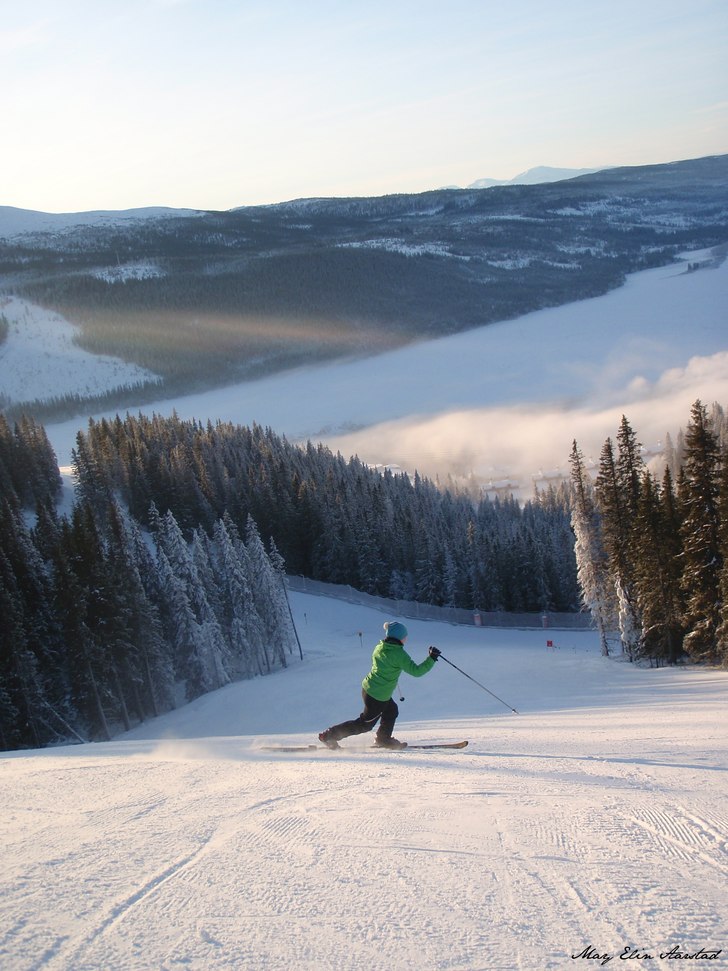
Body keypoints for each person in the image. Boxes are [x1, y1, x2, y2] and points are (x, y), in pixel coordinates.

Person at [318, 621, 441, 750]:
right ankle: (329, 736)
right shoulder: (399, 654)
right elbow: (417, 671)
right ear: (400, 637)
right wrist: (432, 658)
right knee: (364, 725)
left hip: (370, 688)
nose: (406, 639)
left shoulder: (380, 647)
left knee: (391, 710)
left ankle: (383, 739)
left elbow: (384, 664)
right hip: (378, 696)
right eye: (405, 636)